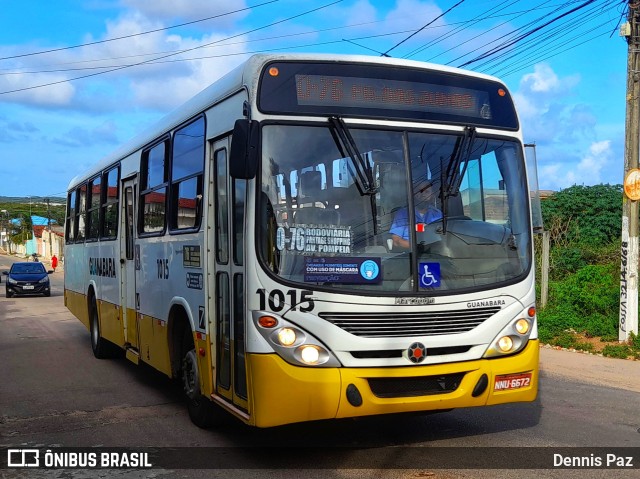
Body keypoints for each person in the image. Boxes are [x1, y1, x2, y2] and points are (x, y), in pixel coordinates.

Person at [390, 181, 442, 250]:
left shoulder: (438, 214)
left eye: (427, 192)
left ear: (432, 195)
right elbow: (396, 241)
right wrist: (417, 247)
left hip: (436, 254)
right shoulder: (402, 213)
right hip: (408, 255)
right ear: (414, 193)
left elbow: (444, 238)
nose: (423, 194)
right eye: (420, 191)